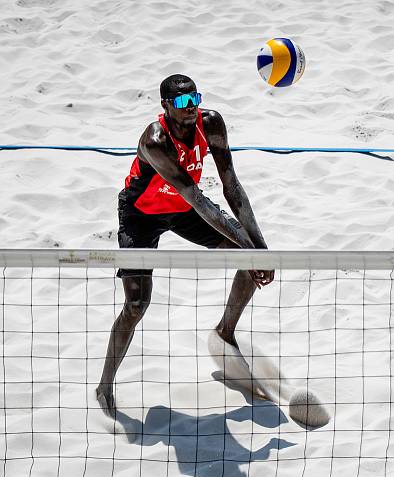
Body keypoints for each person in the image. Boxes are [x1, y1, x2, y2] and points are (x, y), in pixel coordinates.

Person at [96, 74, 274, 416]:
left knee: (248, 257)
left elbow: (232, 187)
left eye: (195, 99)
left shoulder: (212, 123)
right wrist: (252, 249)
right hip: (141, 213)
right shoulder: (155, 141)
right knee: (136, 304)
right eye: (181, 102)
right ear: (165, 106)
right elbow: (197, 200)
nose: (190, 107)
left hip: (183, 211)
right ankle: (105, 386)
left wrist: (260, 250)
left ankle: (225, 333)